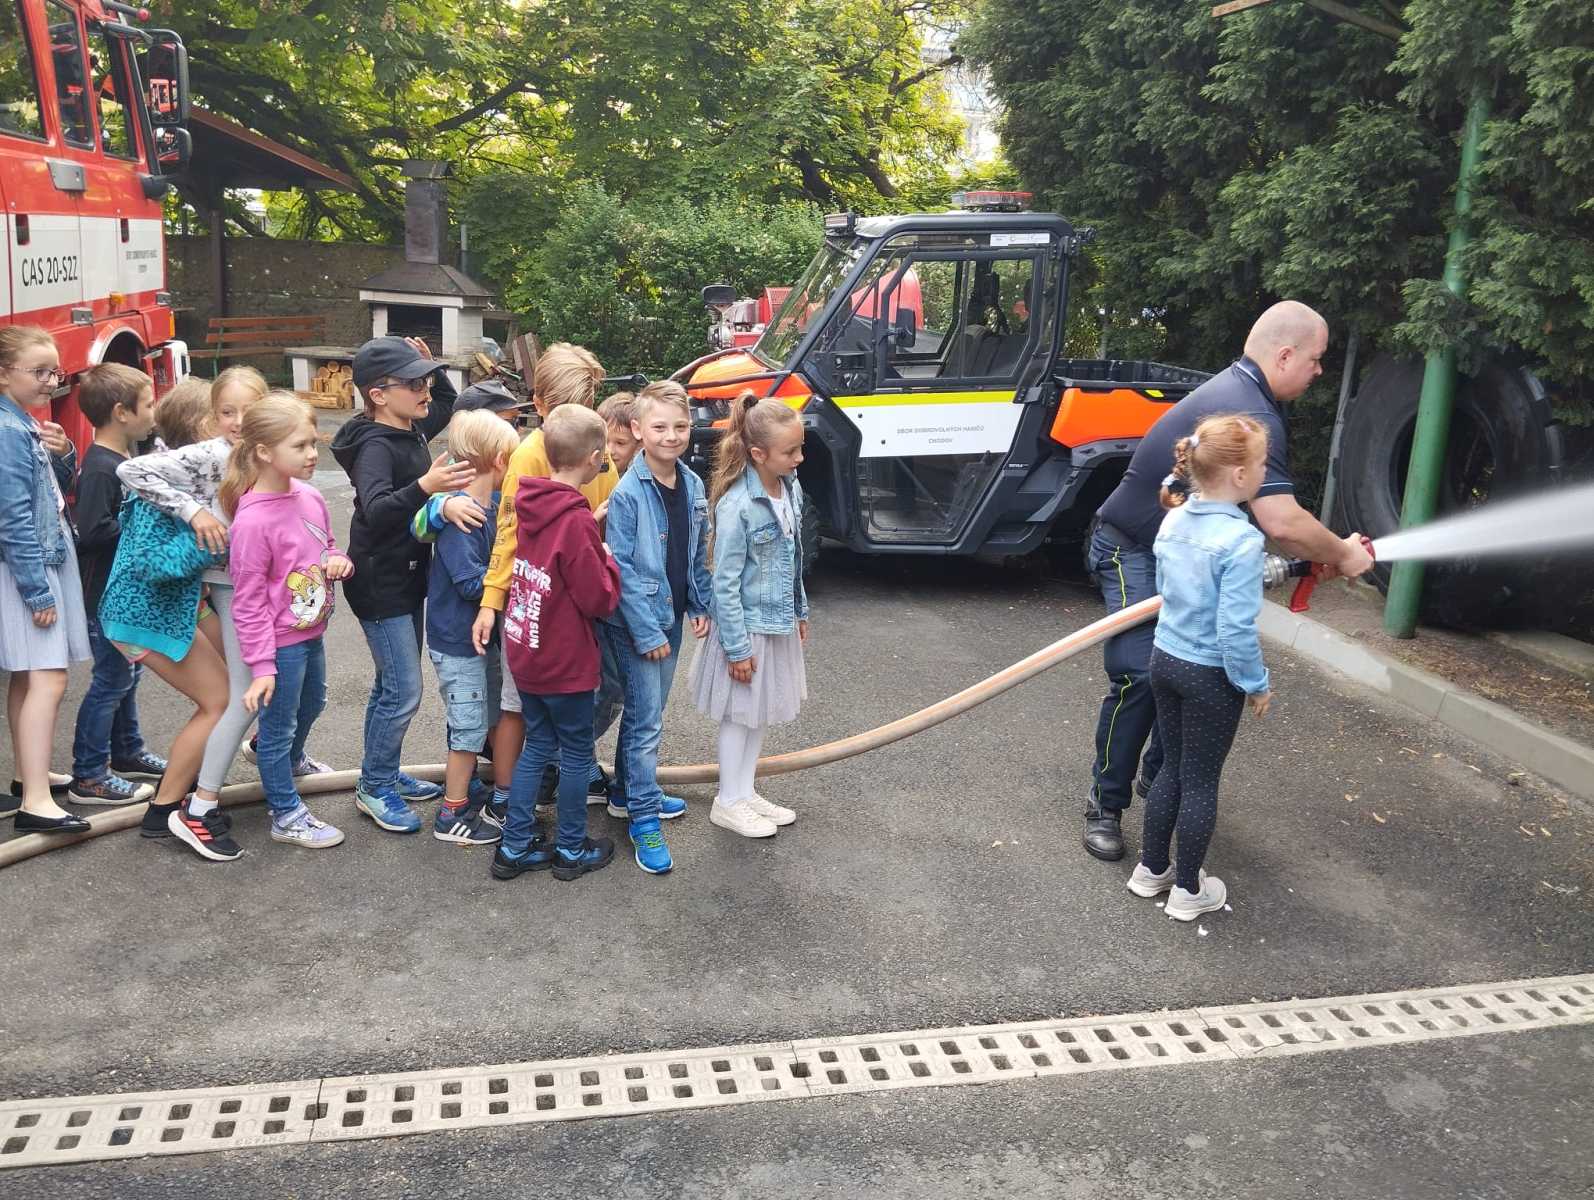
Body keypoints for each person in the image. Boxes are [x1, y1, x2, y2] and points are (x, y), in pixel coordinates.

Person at [1079, 300, 1375, 862]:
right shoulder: (1249, 409)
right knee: (1142, 674)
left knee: (1185, 668)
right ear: (1284, 355)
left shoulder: (1248, 395)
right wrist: (1342, 552)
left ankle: (1160, 780)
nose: (1318, 370)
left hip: (1184, 554)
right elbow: (1281, 521)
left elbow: (1262, 521)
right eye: (1315, 359)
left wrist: (1318, 554)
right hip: (1131, 547)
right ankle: (1105, 805)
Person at [117, 365, 276, 859]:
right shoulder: (197, 466)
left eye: (248, 411)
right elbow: (152, 563)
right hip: (143, 612)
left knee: (227, 694)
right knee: (221, 701)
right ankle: (168, 809)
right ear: (205, 425)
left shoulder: (234, 462)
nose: (237, 422)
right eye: (226, 413)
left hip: (176, 606)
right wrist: (203, 522)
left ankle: (183, 796)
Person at [1127, 415, 1273, 920]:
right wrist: (1256, 684)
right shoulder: (1242, 541)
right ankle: (1189, 891)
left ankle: (1150, 870)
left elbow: (1168, 592)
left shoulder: (1173, 521)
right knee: (1201, 781)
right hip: (1209, 675)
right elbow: (1235, 632)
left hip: (1165, 659)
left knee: (1170, 766)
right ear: (1238, 474)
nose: (1265, 471)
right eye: (1261, 463)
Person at [330, 336, 472, 834]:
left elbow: (450, 403)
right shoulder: (375, 445)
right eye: (413, 383)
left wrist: (432, 364)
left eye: (424, 380)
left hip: (407, 575)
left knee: (391, 685)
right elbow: (376, 510)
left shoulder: (409, 425)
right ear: (378, 395)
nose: (425, 390)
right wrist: (426, 487)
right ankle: (374, 787)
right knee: (403, 691)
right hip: (380, 581)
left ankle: (383, 772)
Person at [478, 404, 621, 882]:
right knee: (577, 752)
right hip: (564, 661)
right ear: (595, 458)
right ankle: (572, 848)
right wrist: (607, 557)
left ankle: (514, 846)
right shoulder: (575, 521)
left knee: (537, 745)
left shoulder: (531, 504)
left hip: (528, 653)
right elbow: (598, 598)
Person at [219, 393, 352, 848]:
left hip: (312, 631)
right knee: (279, 727)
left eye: (313, 443)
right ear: (263, 452)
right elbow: (248, 603)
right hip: (280, 643)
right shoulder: (252, 522)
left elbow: (328, 544)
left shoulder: (310, 496)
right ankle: (286, 813)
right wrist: (262, 667)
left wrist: (338, 559)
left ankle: (287, 760)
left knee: (313, 703)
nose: (313, 454)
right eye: (300, 446)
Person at [597, 381, 713, 874]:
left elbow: (696, 552)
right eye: (660, 427)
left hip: (671, 617)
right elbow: (620, 569)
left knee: (649, 711)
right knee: (646, 722)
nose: (671, 436)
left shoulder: (692, 484)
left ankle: (627, 791)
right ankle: (643, 817)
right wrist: (646, 635)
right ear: (638, 430)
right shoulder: (628, 493)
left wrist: (700, 602)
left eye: (680, 426)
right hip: (636, 625)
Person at [691, 393, 810, 837]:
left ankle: (745, 790)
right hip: (745, 629)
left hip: (776, 621)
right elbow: (724, 582)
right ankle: (727, 800)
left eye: (800, 448)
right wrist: (737, 649)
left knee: (758, 713)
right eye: (790, 451)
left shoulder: (791, 488)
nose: (799, 459)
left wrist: (799, 609)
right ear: (759, 454)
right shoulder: (738, 504)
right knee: (739, 714)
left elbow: (794, 556)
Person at [0, 327, 91, 833]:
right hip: (29, 568)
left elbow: (52, 492)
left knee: (26, 673)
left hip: (33, 561)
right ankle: (36, 802)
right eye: (38, 371)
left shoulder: (22, 423)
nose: (51, 381)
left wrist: (61, 454)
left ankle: (27, 777)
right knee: (48, 676)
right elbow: (12, 518)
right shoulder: (9, 430)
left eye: (54, 371)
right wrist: (36, 590)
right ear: (2, 374)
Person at [68, 364, 165, 807]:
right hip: (104, 597)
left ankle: (127, 751)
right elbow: (91, 531)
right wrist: (141, 525)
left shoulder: (122, 462)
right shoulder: (102, 469)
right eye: (148, 404)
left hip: (123, 595)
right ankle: (88, 775)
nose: (154, 412)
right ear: (121, 413)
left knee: (128, 672)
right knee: (111, 679)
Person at [425, 409, 520, 846]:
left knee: (487, 714)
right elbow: (468, 583)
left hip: (482, 640)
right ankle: (452, 811)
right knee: (467, 727)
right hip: (457, 641)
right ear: (500, 460)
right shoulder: (460, 517)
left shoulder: (493, 506)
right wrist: (515, 577)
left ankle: (473, 789)